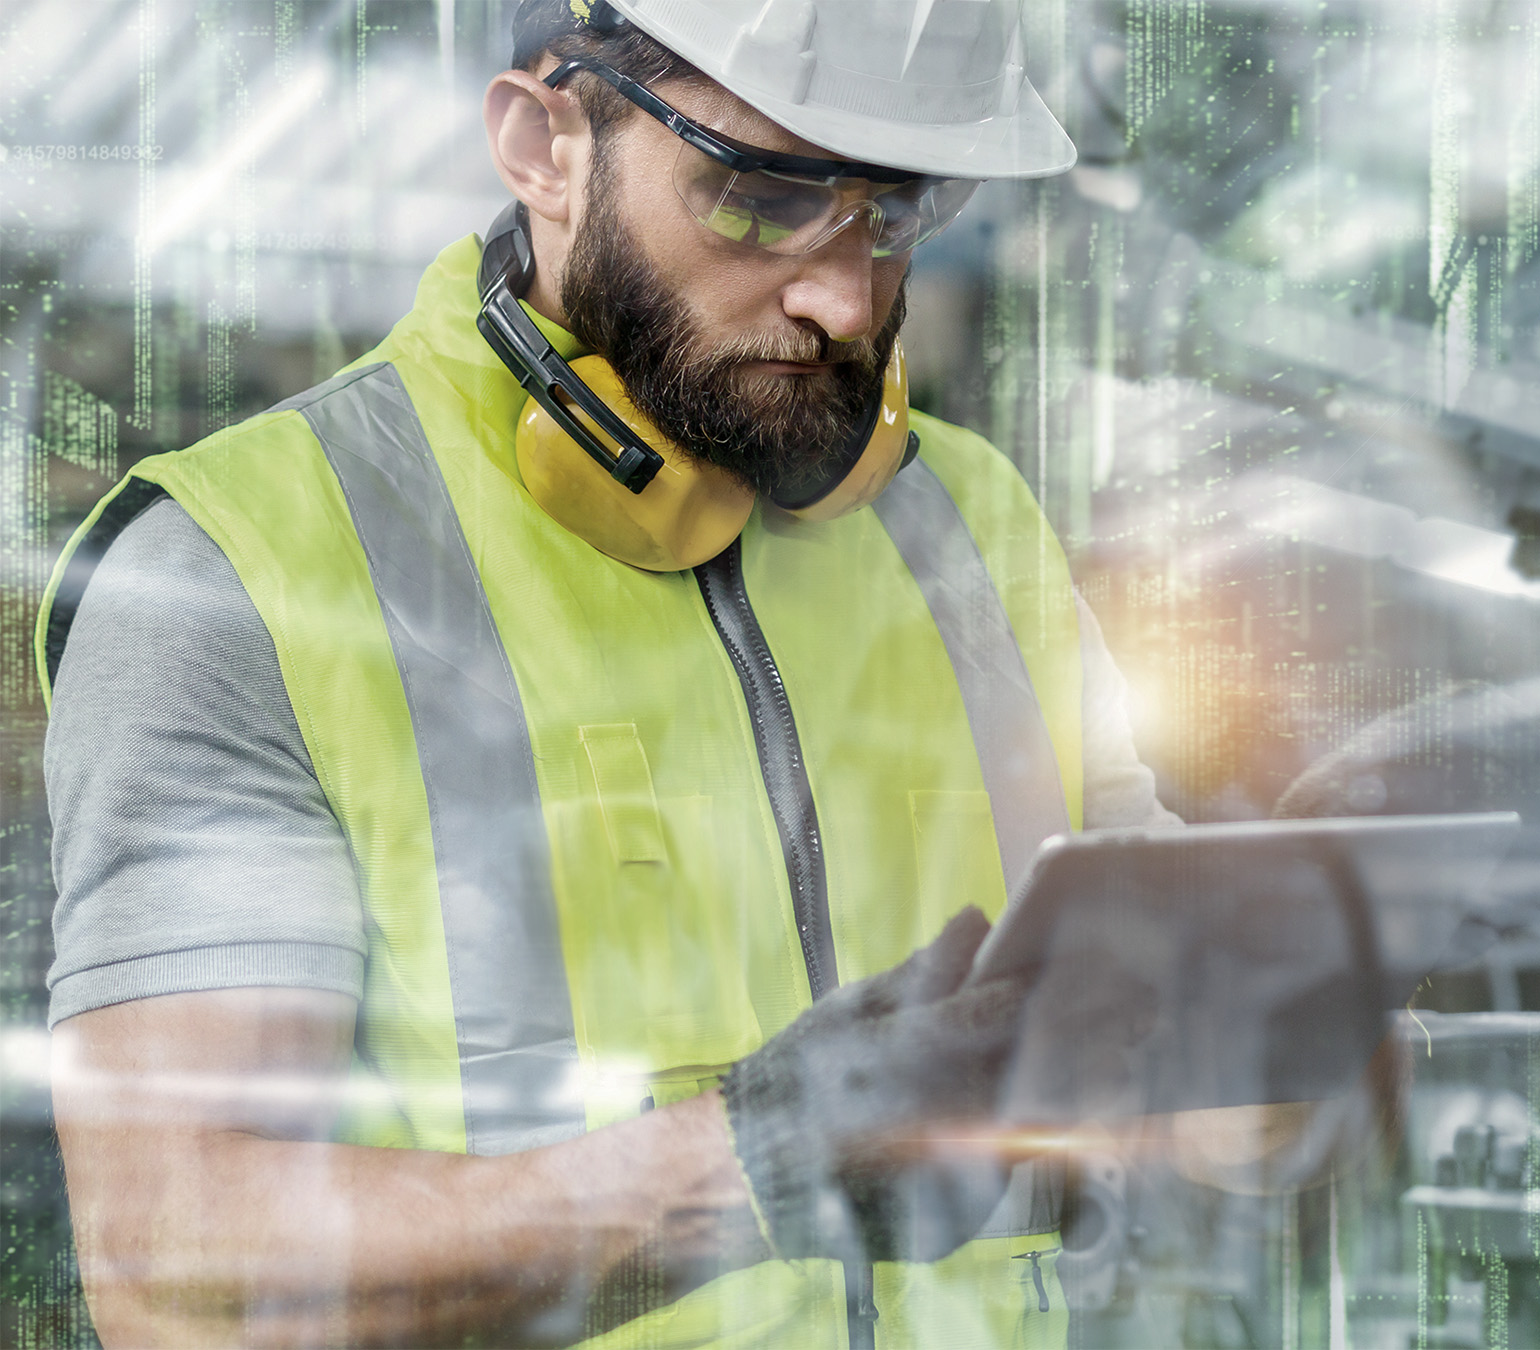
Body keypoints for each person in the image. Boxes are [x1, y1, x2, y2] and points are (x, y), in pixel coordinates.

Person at [37, 3, 1201, 1346]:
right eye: (758, 200)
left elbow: (1181, 1077)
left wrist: (1332, 966)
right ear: (545, 144)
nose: (842, 299)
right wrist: (758, 1163)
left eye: (891, 217)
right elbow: (178, 1274)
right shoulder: (241, 570)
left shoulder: (972, 527)